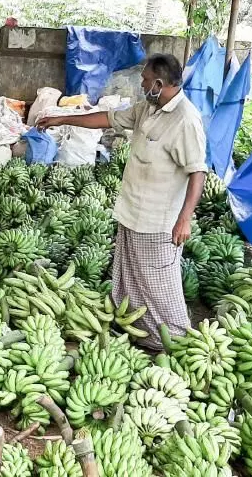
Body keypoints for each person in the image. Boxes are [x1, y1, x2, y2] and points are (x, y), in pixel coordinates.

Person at [37, 54, 207, 351]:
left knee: (160, 284)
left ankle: (177, 341)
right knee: (129, 275)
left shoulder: (185, 120)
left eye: (144, 80)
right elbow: (108, 118)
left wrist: (185, 218)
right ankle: (141, 332)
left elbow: (198, 172)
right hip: (132, 211)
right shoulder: (148, 108)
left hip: (158, 220)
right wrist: (63, 118)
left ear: (158, 83)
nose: (141, 85)